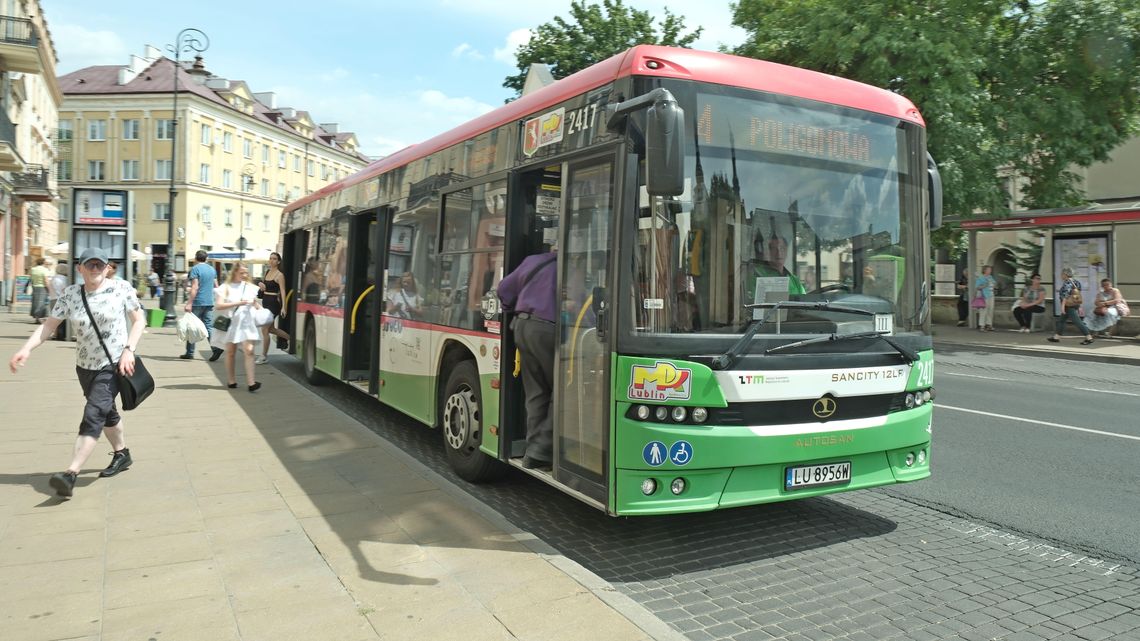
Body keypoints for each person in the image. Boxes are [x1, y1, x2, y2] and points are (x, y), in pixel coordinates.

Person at [8, 247, 145, 498]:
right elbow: (50, 325)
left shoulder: (121, 288)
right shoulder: (71, 294)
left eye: (100, 265)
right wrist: (26, 349)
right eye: (89, 265)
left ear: (107, 268)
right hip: (84, 365)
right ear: (79, 268)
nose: (95, 269)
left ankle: (70, 473)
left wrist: (129, 350)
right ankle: (122, 454)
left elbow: (139, 320)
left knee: (94, 413)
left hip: (113, 364)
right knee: (106, 412)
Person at [497, 244, 558, 470]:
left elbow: (504, 288)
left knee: (536, 392)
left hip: (521, 325)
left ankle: (532, 454)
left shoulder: (533, 260)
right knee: (563, 391)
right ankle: (542, 449)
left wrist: (513, 308)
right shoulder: (573, 267)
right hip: (548, 329)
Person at [216, 262, 263, 392]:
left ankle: (251, 383)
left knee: (249, 350)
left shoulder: (250, 287)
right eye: (241, 272)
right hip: (232, 323)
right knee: (231, 352)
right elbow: (219, 306)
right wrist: (239, 303)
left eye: (246, 273)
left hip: (246, 322)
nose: (244, 275)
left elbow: (255, 304)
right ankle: (231, 380)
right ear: (235, 272)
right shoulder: (225, 287)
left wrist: (261, 310)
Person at [181, 250, 223, 361]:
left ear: (196, 258)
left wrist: (189, 302)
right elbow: (216, 286)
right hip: (209, 301)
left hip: (198, 301)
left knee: (192, 326)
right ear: (206, 258)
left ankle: (190, 352)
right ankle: (215, 348)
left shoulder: (195, 269)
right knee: (208, 326)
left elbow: (194, 287)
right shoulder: (212, 269)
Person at [256, 252, 291, 363]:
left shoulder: (279, 275)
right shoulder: (267, 272)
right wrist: (262, 286)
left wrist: (284, 307)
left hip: (273, 303)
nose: (272, 260)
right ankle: (291, 339)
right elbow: (265, 288)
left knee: (265, 329)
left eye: (274, 259)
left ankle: (263, 356)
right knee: (271, 329)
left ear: (278, 261)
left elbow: (283, 291)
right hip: (265, 302)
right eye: (270, 258)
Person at [1048, 267, 1093, 345]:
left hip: (1068, 305)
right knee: (1061, 320)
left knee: (1078, 322)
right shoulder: (1076, 282)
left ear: (1065, 274)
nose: (1061, 276)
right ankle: (1056, 337)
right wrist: (1079, 306)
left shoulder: (1067, 283)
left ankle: (1089, 337)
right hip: (1074, 304)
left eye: (1062, 274)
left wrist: (1062, 307)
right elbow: (1077, 295)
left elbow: (1065, 296)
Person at [49, 263, 70, 340]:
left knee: (55, 318)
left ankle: (55, 334)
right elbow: (65, 289)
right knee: (62, 319)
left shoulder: (53, 278)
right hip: (61, 299)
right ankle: (61, 335)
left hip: (52, 299)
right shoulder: (64, 279)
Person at [29, 256, 52, 323]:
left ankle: (36, 318)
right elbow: (46, 281)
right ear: (43, 262)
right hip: (42, 287)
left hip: (35, 287)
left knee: (35, 303)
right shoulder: (45, 270)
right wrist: (49, 289)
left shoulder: (33, 269)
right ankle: (40, 318)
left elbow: (31, 279)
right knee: (41, 303)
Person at [974, 265, 996, 331]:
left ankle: (989, 324)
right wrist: (984, 285)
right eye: (989, 269)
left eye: (990, 269)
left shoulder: (990, 277)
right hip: (984, 296)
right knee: (983, 311)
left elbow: (994, 283)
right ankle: (982, 325)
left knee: (990, 310)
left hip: (991, 295)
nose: (990, 271)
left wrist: (994, 285)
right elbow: (977, 287)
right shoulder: (980, 278)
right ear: (984, 270)